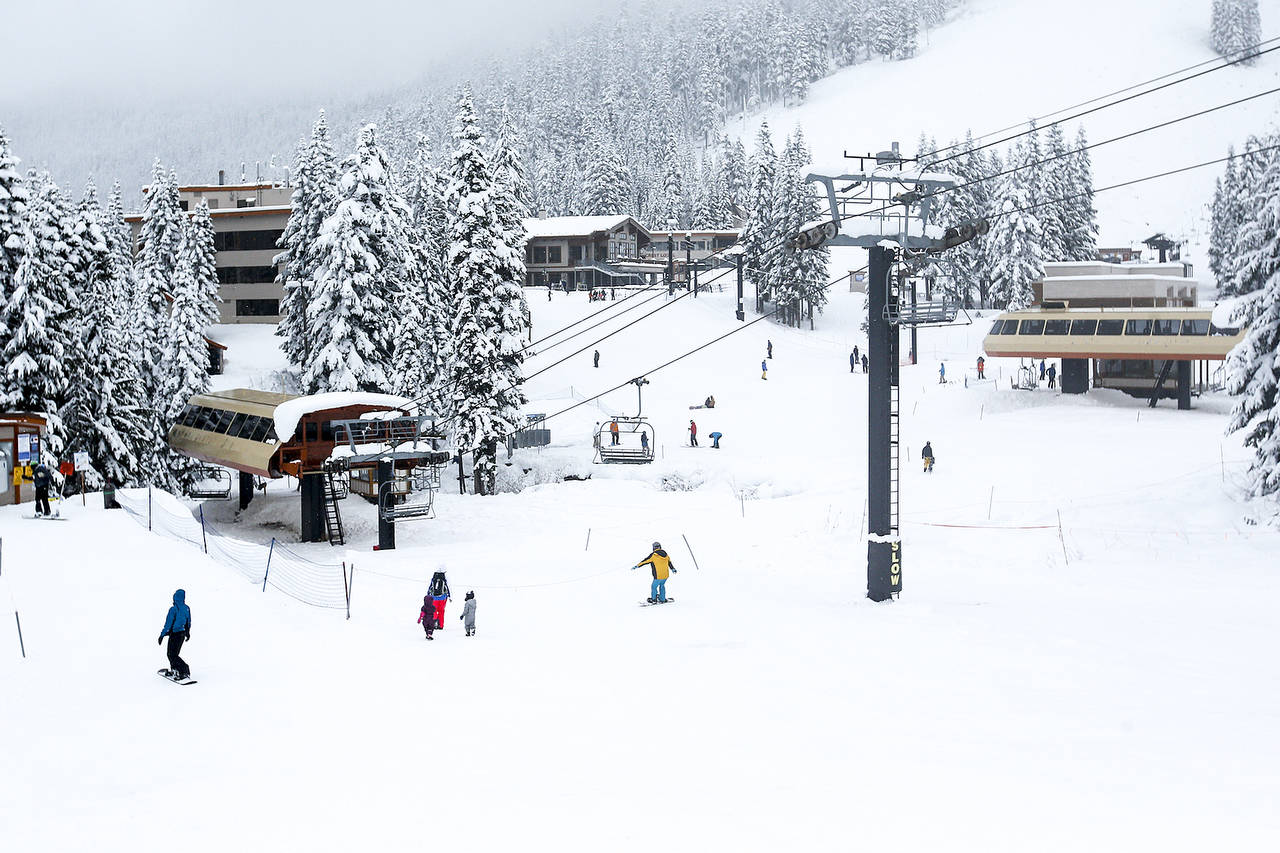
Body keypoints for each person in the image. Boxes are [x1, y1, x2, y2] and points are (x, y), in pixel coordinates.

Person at [157, 589, 192, 680]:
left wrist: (162, 635)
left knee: (171, 654)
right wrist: (187, 633)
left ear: (175, 597)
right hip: (182, 634)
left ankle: (184, 670)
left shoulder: (173, 609)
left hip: (175, 634)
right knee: (174, 654)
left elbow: (168, 623)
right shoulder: (186, 608)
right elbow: (188, 622)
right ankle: (176, 670)